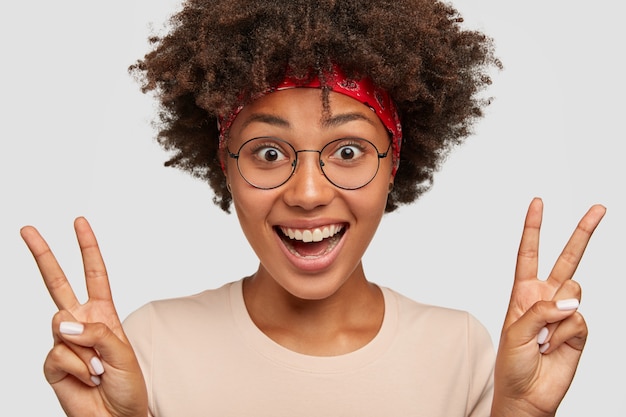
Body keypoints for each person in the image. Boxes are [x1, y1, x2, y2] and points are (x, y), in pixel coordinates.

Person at [19, 0, 606, 416]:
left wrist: (520, 412)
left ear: (394, 162)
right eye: (268, 152)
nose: (306, 193)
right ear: (225, 165)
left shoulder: (464, 351)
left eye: (347, 150)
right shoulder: (145, 346)